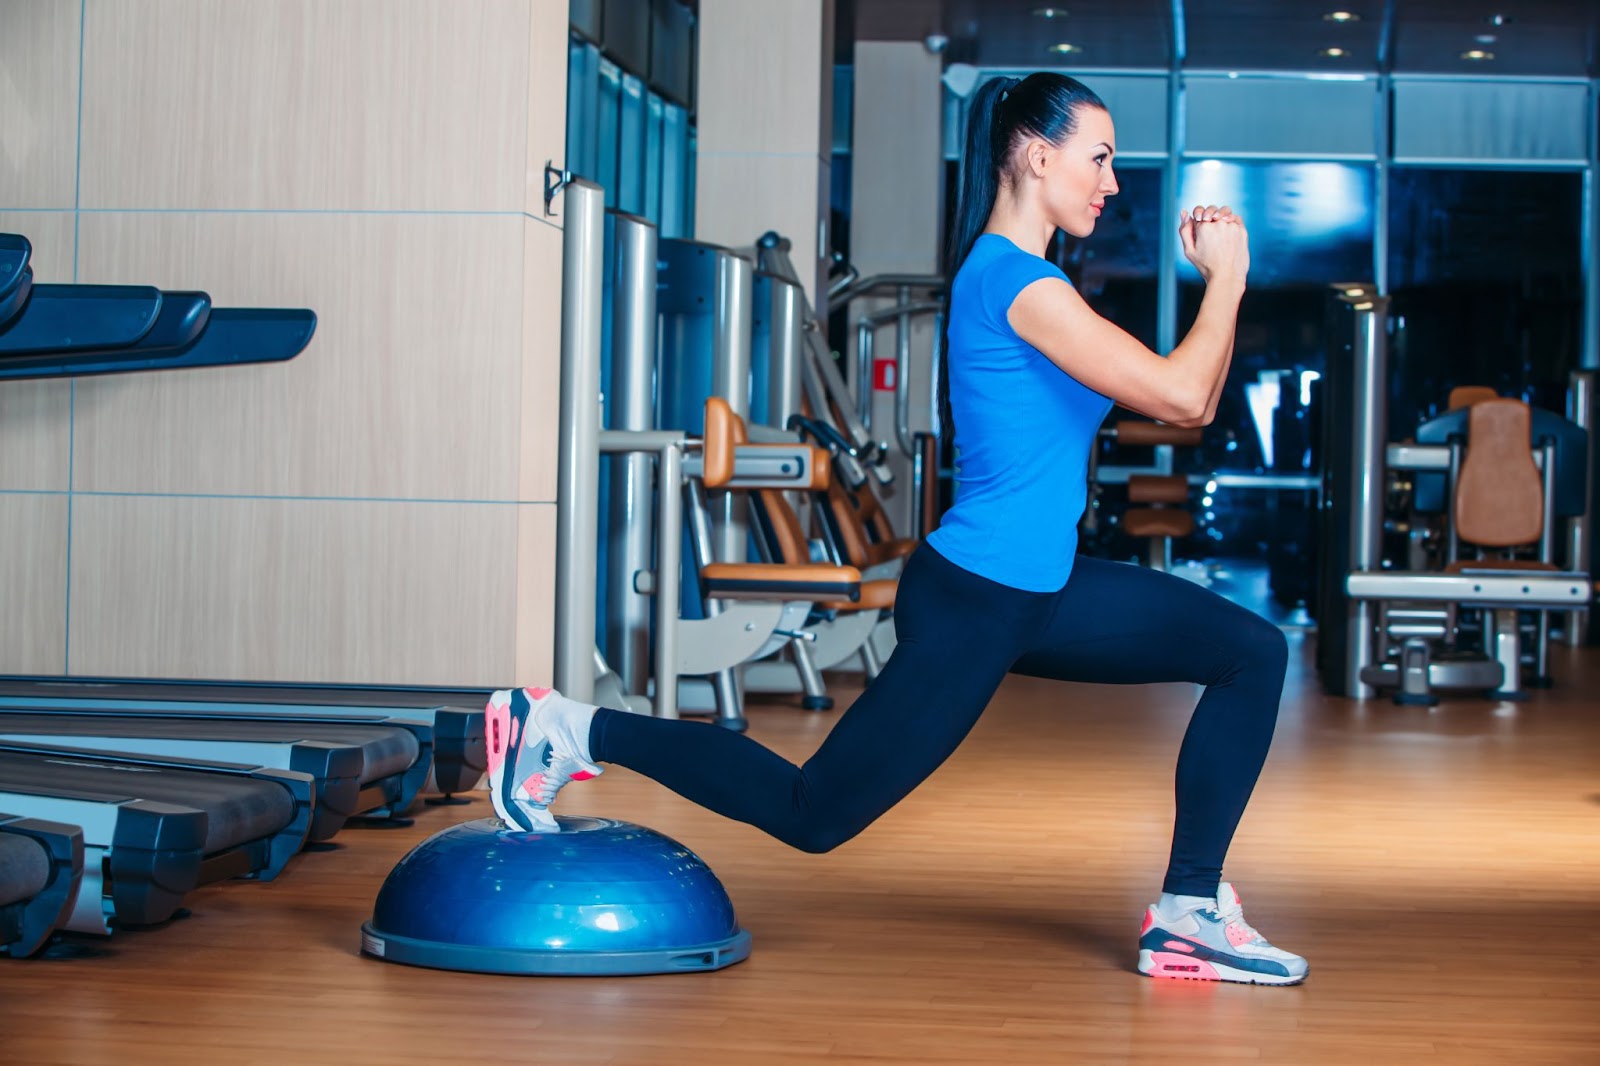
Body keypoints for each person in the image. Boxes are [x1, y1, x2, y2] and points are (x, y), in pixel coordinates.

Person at [484, 72, 1306, 986]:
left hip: (1045, 589)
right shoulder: (1016, 282)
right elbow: (1186, 395)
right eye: (1099, 158)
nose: (1112, 183)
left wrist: (1222, 292)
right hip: (981, 601)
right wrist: (1228, 278)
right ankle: (567, 727)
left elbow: (1190, 390)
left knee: (1250, 651)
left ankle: (1188, 914)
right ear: (1037, 155)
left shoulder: (1037, 284)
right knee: (813, 811)